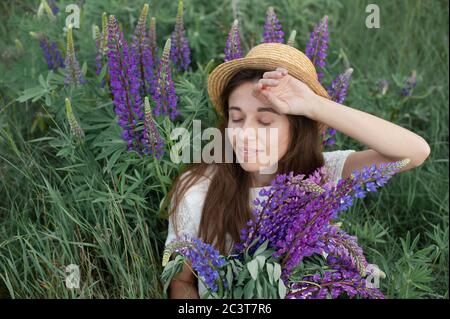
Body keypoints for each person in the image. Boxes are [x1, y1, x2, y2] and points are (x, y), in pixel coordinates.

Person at [163, 43, 431, 299]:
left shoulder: (320, 174)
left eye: (265, 121)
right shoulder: (200, 189)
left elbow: (414, 152)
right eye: (237, 118)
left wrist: (314, 105)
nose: (244, 134)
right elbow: (183, 281)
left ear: (297, 129)